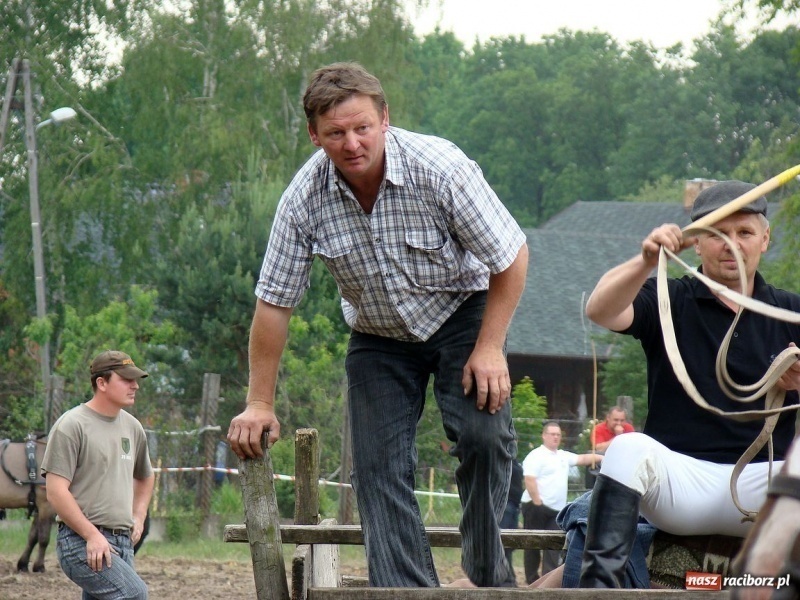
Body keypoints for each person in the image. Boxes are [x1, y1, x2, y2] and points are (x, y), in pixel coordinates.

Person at [227, 62, 529, 588]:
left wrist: (491, 347)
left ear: (384, 118)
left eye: (362, 127)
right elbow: (274, 304)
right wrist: (259, 403)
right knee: (376, 469)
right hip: (378, 335)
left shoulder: (440, 169)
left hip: (464, 312)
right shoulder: (304, 199)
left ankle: (483, 555)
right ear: (314, 135)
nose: (351, 143)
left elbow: (511, 255)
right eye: (336, 133)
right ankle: (407, 594)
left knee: (483, 434)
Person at [579, 180, 800, 588]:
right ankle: (599, 594)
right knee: (628, 448)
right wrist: (646, 260)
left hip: (764, 487)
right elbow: (600, 310)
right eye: (717, 235)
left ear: (765, 240)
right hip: (681, 486)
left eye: (745, 233)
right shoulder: (669, 296)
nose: (730, 245)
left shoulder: (793, 311)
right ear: (696, 244)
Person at [42, 350, 154, 599]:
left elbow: (145, 476)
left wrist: (139, 514)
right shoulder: (71, 425)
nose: (134, 385)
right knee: (135, 594)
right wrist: (92, 535)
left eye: (135, 379)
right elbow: (55, 491)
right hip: (80, 541)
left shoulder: (133, 427)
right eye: (126, 379)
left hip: (123, 543)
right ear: (101, 383)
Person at [520, 421, 603, 583]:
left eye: (558, 434)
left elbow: (583, 458)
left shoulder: (563, 456)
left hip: (556, 511)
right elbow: (529, 480)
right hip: (535, 506)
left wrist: (603, 457)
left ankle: (546, 581)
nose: (555, 437)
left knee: (552, 545)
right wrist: (538, 502)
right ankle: (531, 580)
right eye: (552, 434)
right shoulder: (536, 455)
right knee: (532, 545)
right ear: (544, 435)